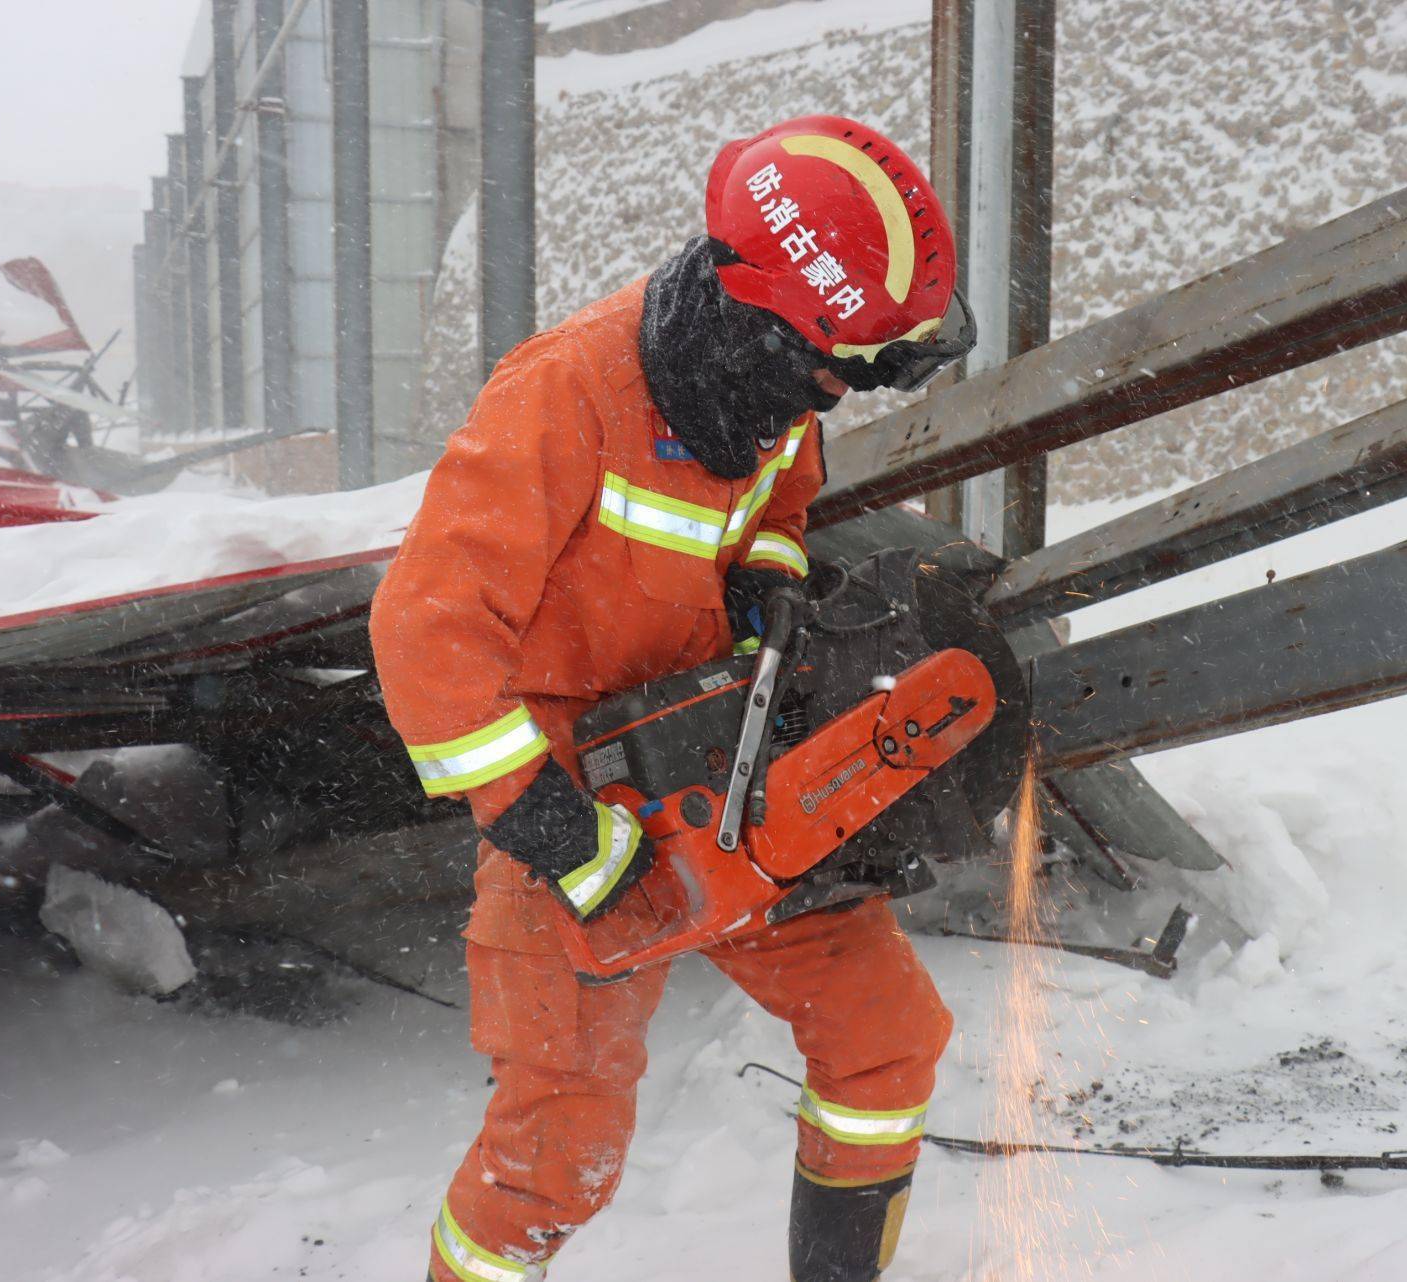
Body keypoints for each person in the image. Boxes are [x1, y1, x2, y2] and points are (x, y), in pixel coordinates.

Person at [370, 114, 976, 1282]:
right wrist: (550, 825)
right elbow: (425, 630)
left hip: (730, 756)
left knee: (885, 1041)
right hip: (572, 790)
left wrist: (764, 578)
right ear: (758, 319)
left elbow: (783, 501)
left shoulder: (766, 389)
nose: (833, 399)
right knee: (558, 1152)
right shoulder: (564, 395)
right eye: (830, 370)